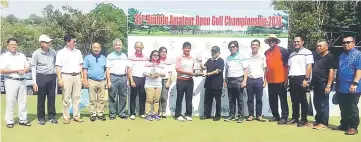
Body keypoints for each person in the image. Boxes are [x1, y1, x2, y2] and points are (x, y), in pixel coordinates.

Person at [333, 36, 361, 135]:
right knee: (343, 107)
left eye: (348, 42)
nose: (346, 44)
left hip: (353, 87)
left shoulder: (358, 55)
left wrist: (355, 83)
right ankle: (344, 124)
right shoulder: (341, 55)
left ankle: (353, 127)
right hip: (342, 87)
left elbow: (359, 70)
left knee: (352, 107)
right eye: (344, 42)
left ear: (354, 43)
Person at [0, 38, 31, 128]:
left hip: (22, 80)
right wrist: (16, 70)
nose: (13, 46)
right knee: (11, 101)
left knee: (23, 101)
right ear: (8, 46)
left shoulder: (21, 55)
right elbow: (1, 70)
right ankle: (9, 120)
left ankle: (23, 119)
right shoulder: (4, 57)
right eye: (11, 44)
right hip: (11, 80)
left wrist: (24, 70)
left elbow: (27, 67)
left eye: (15, 44)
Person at [56, 34, 84, 124]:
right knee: (66, 97)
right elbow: (58, 67)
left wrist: (81, 76)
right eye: (73, 41)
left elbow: (81, 65)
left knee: (77, 97)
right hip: (66, 76)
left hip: (76, 76)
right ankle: (66, 117)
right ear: (67, 42)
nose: (75, 43)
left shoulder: (78, 52)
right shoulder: (61, 52)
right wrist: (60, 79)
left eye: (75, 41)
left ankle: (76, 116)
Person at [287, 36, 314, 127]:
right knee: (294, 100)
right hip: (292, 78)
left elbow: (309, 66)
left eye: (298, 41)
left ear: (302, 42)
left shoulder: (307, 52)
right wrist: (287, 79)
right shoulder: (292, 54)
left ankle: (304, 119)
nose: (296, 43)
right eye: (294, 42)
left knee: (302, 100)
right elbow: (289, 68)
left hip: (302, 78)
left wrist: (306, 79)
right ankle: (295, 118)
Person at [31, 34, 58, 125]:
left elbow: (55, 64)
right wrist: (34, 82)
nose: (49, 43)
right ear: (42, 43)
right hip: (41, 77)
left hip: (51, 77)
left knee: (51, 98)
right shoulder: (36, 53)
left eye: (49, 42)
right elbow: (33, 68)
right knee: (41, 99)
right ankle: (41, 118)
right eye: (47, 42)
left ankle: (52, 117)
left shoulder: (53, 52)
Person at [264, 34, 289, 124]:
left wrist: (286, 79)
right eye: (270, 40)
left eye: (273, 40)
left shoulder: (283, 51)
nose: (271, 42)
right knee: (272, 99)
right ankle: (275, 115)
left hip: (281, 80)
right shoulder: (266, 52)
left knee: (283, 100)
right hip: (270, 80)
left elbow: (288, 66)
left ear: (276, 41)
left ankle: (284, 117)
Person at [311, 40, 336, 129]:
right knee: (316, 103)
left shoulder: (330, 57)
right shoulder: (316, 56)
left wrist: (328, 85)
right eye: (317, 46)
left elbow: (331, 71)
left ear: (326, 47)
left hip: (324, 84)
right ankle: (318, 120)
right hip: (316, 84)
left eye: (320, 46)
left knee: (323, 104)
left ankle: (324, 122)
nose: (318, 47)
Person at [224, 41, 248, 123]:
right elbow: (226, 70)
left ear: (237, 47)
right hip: (230, 80)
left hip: (239, 79)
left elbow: (245, 69)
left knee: (240, 99)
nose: (232, 48)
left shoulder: (242, 56)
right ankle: (232, 115)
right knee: (231, 99)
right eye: (230, 47)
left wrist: (244, 80)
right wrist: (225, 80)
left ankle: (241, 116)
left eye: (234, 47)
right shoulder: (228, 58)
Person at [83, 43, 107, 121]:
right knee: (92, 99)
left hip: (102, 80)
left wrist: (106, 80)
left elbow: (106, 69)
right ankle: (93, 114)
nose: (96, 49)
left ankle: (100, 113)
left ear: (100, 48)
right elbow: (85, 69)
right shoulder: (87, 58)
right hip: (91, 80)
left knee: (101, 99)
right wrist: (85, 80)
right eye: (94, 48)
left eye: (97, 48)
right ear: (92, 48)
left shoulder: (104, 58)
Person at [200, 46, 224, 121]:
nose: (213, 53)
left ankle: (217, 116)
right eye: (212, 51)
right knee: (207, 100)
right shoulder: (210, 60)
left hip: (217, 84)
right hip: (208, 83)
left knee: (217, 101)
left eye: (215, 52)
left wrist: (208, 74)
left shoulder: (221, 60)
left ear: (218, 53)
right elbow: (204, 67)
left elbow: (217, 71)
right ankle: (207, 114)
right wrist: (199, 63)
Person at [106, 38, 129, 120]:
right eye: (116, 45)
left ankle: (122, 113)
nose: (118, 46)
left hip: (123, 77)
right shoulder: (110, 56)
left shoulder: (124, 56)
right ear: (113, 46)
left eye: (120, 45)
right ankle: (112, 114)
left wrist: (127, 79)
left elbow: (127, 68)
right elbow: (108, 69)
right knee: (112, 96)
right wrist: (108, 81)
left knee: (123, 96)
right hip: (113, 77)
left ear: (122, 46)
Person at [246, 39, 267, 122]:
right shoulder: (247, 56)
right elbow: (246, 69)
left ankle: (259, 115)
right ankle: (251, 115)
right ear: (251, 46)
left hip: (259, 80)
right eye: (253, 44)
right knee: (250, 99)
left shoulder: (262, 56)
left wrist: (265, 81)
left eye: (256, 45)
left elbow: (265, 69)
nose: (254, 46)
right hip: (250, 79)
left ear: (259, 46)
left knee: (259, 99)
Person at [143, 50, 167, 121]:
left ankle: (155, 114)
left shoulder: (161, 64)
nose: (155, 56)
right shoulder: (148, 63)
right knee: (149, 100)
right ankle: (147, 114)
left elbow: (164, 74)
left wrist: (158, 74)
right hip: (149, 84)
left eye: (157, 55)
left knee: (156, 100)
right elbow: (144, 73)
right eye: (154, 55)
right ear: (151, 55)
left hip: (158, 84)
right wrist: (150, 75)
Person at [174, 42, 195, 121]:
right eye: (185, 48)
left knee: (189, 98)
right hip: (181, 80)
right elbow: (177, 69)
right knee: (179, 98)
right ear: (182, 48)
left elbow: (194, 69)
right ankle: (178, 115)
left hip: (190, 81)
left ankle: (188, 114)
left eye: (188, 48)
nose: (187, 49)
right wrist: (188, 73)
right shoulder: (179, 58)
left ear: (190, 49)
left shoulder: (193, 58)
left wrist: (198, 72)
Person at [128, 41, 148, 120]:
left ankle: (142, 112)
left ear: (142, 48)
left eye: (140, 47)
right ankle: (132, 113)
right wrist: (131, 80)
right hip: (134, 78)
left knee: (142, 96)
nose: (138, 49)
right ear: (135, 47)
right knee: (133, 96)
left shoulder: (146, 57)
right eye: (137, 47)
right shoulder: (131, 57)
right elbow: (129, 69)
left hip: (143, 78)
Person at [158, 47, 173, 118]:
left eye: (164, 52)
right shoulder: (157, 60)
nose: (163, 53)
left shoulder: (168, 61)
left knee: (164, 97)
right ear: (159, 52)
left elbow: (170, 72)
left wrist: (168, 81)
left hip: (165, 80)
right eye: (161, 52)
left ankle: (163, 111)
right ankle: (159, 111)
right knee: (158, 97)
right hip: (157, 80)